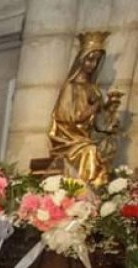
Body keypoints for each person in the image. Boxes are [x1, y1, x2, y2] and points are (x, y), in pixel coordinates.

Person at [49, 31, 114, 187]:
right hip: (69, 139)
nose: (92, 65)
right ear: (81, 60)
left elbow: (98, 124)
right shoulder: (70, 87)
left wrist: (109, 115)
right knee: (90, 151)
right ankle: (84, 189)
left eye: (96, 61)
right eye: (89, 59)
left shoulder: (94, 89)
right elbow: (67, 118)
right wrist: (94, 108)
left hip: (85, 138)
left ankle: (94, 192)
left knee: (105, 148)